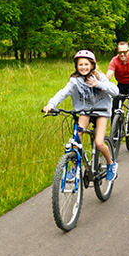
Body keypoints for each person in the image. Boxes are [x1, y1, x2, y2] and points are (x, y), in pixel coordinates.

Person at [42, 50, 120, 181]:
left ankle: (111, 163)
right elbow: (63, 93)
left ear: (92, 65)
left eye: (86, 64)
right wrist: (51, 105)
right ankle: (73, 169)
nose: (83, 67)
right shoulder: (75, 81)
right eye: (80, 65)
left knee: (99, 142)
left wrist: (98, 84)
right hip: (85, 111)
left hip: (101, 111)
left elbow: (115, 91)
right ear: (76, 67)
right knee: (76, 138)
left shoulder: (99, 77)